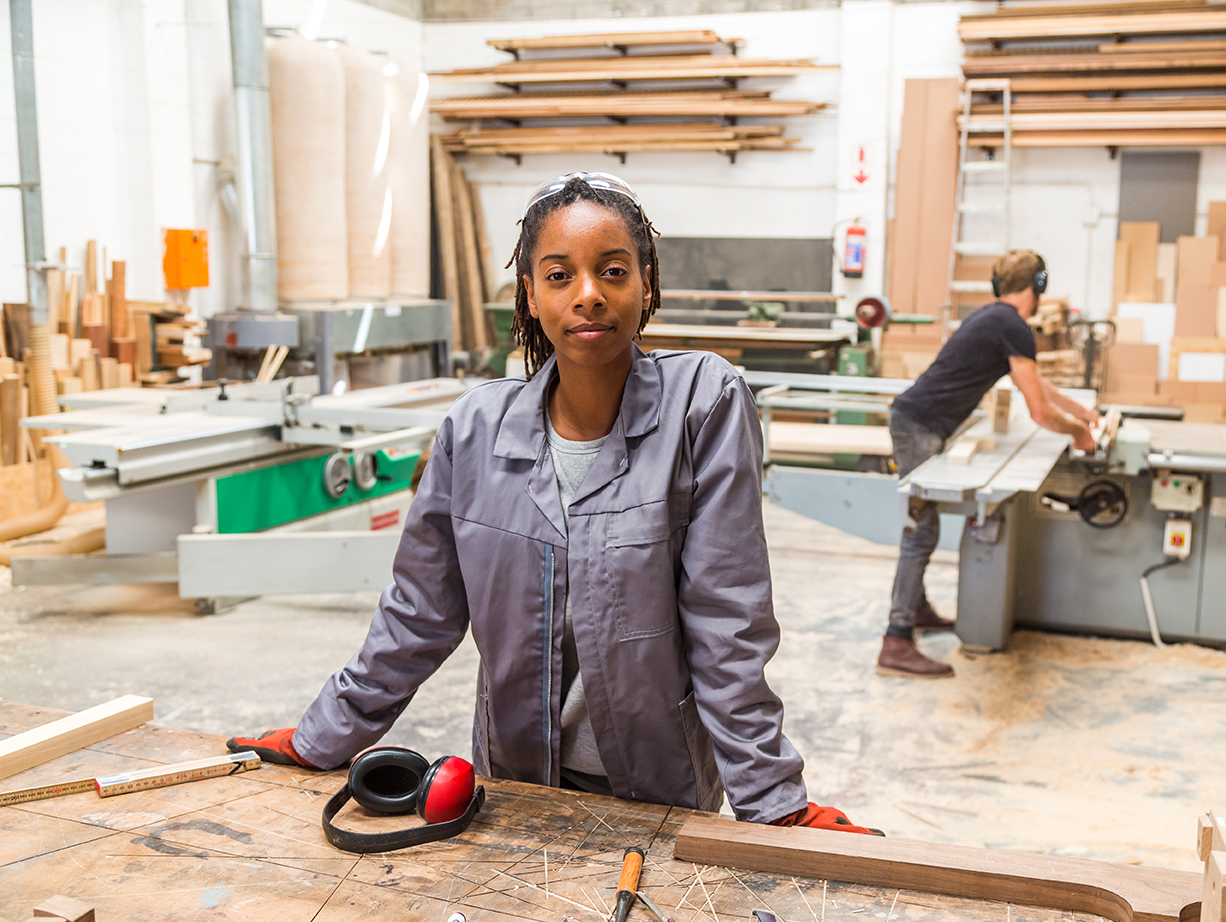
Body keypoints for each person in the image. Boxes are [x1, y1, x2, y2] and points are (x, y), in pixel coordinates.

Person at [229, 172, 874, 834]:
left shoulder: (702, 405)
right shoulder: (474, 430)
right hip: (515, 786)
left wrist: (774, 801)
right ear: (530, 295)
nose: (588, 295)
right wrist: (322, 737)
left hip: (660, 790)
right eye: (560, 275)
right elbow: (419, 613)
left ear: (646, 284)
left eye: (613, 271)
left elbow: (726, 620)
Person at [876, 249, 1100, 679]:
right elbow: (1037, 411)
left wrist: (1082, 413)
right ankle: (896, 640)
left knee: (922, 529)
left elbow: (1039, 386)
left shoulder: (997, 320)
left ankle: (916, 611)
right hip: (918, 426)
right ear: (1038, 286)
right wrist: (1078, 434)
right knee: (920, 532)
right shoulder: (1012, 325)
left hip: (919, 422)